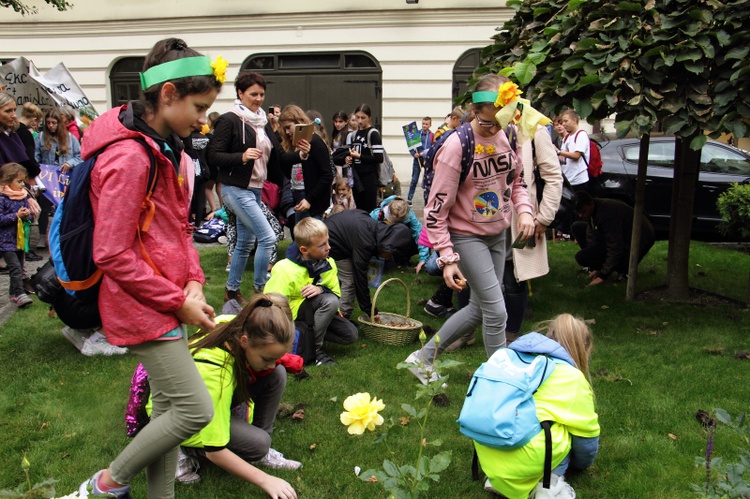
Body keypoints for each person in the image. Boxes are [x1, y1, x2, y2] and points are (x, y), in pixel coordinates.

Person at [73, 38, 222, 499]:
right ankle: (103, 486)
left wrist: (194, 280)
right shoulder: (130, 156)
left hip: (168, 299)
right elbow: (112, 253)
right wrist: (178, 299)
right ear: (168, 94)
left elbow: (179, 227)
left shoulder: (164, 146)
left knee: (167, 413)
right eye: (199, 106)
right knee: (195, 411)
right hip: (144, 305)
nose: (204, 119)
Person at [406, 73, 535, 384]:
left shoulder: (510, 136)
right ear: (476, 111)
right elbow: (435, 210)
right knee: (497, 311)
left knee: (480, 309)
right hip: (466, 236)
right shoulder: (456, 145)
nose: (495, 128)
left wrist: (526, 211)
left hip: (497, 233)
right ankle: (499, 383)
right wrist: (447, 258)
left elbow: (515, 182)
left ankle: (420, 359)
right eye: (488, 122)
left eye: (501, 121)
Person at [181, 293, 300, 499]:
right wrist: (266, 480)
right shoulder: (215, 374)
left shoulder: (240, 325)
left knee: (277, 373)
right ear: (244, 342)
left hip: (201, 403)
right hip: (177, 419)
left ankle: (260, 452)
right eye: (267, 357)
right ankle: (180, 449)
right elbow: (214, 450)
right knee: (257, 444)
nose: (271, 363)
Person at [478, 313, 599, 498]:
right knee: (567, 428)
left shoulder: (511, 359)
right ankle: (549, 485)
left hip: (488, 449)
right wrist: (580, 464)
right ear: (582, 349)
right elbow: (586, 442)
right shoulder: (571, 378)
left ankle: (501, 479)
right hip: (530, 457)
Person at [207, 71, 287, 302]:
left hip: (255, 190)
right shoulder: (229, 120)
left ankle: (231, 292)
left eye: (262, 94)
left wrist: (301, 153)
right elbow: (213, 155)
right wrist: (240, 157)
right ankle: (260, 293)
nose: (259, 98)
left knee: (245, 242)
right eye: (254, 94)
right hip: (235, 189)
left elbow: (279, 155)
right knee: (268, 237)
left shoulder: (262, 121)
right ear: (240, 93)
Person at [265, 217, 358, 366]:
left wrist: (320, 289)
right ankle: (313, 349)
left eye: (328, 241)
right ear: (304, 250)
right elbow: (271, 302)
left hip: (315, 312)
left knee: (350, 335)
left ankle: (305, 339)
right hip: (292, 317)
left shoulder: (329, 263)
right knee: (329, 301)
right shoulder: (285, 268)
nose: (328, 247)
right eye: (322, 245)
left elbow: (336, 293)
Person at [324, 209, 414, 320]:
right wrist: (369, 309)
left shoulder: (376, 229)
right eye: (390, 255)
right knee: (349, 280)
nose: (389, 258)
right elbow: (360, 278)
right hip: (331, 240)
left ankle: (340, 314)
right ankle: (342, 317)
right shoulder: (365, 243)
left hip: (336, 229)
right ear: (387, 247)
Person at [571, 191, 655, 286]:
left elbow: (615, 246)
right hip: (620, 235)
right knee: (577, 227)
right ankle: (596, 265)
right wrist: (596, 266)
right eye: (578, 213)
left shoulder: (607, 214)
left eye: (583, 211)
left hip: (638, 239)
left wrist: (603, 275)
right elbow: (592, 235)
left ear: (591, 203)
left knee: (581, 257)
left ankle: (623, 269)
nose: (581, 215)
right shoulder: (594, 211)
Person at [277, 104, 334, 224]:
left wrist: (309, 199)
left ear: (299, 121)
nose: (287, 132)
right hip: (297, 194)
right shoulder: (292, 144)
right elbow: (286, 169)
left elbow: (327, 175)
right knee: (301, 237)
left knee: (308, 239)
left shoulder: (315, 142)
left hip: (312, 199)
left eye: (288, 127)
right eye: (284, 129)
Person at [0, 162, 39, 308]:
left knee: (18, 267)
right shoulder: (2, 198)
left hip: (20, 240)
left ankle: (13, 294)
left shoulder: (23, 197)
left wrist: (27, 215)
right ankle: (19, 293)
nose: (23, 184)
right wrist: (17, 215)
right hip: (5, 241)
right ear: (7, 181)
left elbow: (29, 218)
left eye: (23, 180)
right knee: (15, 268)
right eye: (19, 181)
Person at [337, 104, 382, 212]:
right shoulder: (353, 135)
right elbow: (350, 153)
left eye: (363, 117)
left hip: (369, 177)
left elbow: (379, 158)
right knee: (359, 209)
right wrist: (348, 159)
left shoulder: (373, 133)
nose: (360, 120)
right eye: (357, 117)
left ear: (369, 117)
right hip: (357, 177)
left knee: (370, 209)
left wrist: (359, 156)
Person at [370, 195, 428, 273]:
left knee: (417, 236)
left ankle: (402, 258)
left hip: (401, 244)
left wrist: (423, 259)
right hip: (382, 243)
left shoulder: (410, 215)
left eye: (402, 220)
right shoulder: (377, 215)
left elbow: (420, 234)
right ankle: (385, 258)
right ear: (389, 213)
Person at [556, 109, 589, 192]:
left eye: (566, 121)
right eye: (562, 122)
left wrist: (558, 152)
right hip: (568, 179)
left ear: (574, 120)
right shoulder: (567, 137)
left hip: (578, 180)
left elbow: (576, 155)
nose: (563, 124)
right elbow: (563, 158)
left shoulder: (581, 135)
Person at [407, 116, 433, 205]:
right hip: (417, 159)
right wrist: (414, 154)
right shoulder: (416, 134)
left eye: (426, 124)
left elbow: (433, 148)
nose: (424, 126)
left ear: (430, 125)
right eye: (423, 124)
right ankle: (409, 199)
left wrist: (424, 154)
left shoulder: (431, 135)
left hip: (427, 159)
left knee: (427, 179)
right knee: (414, 180)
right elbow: (410, 145)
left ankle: (427, 198)